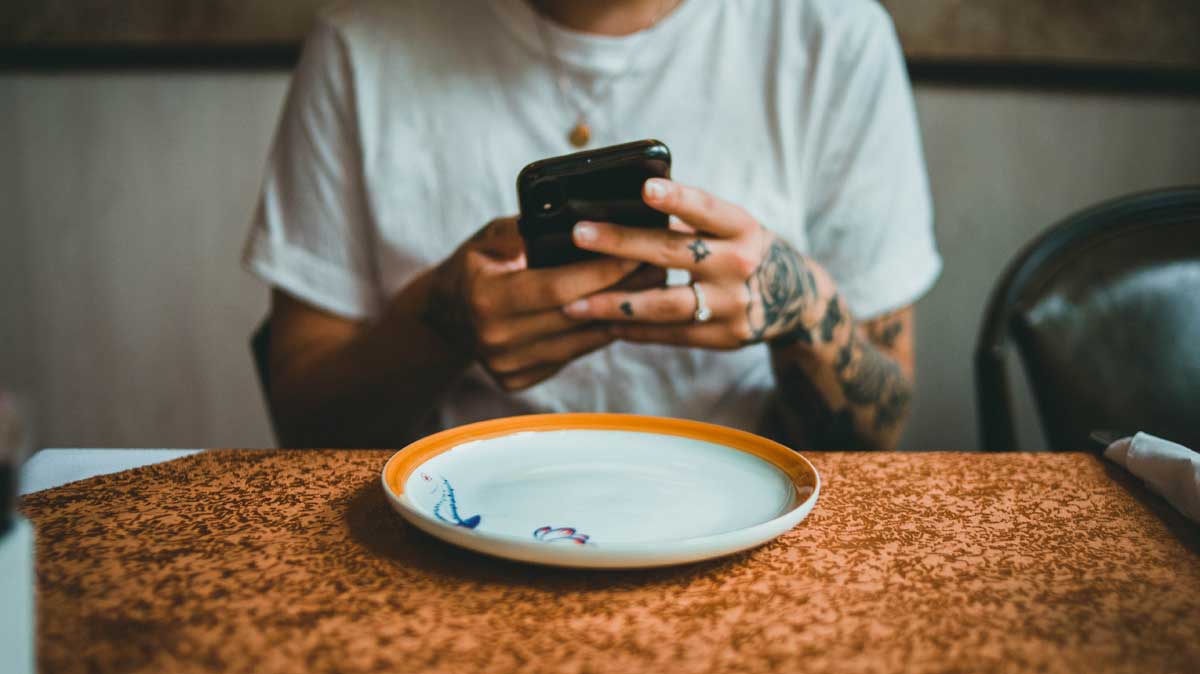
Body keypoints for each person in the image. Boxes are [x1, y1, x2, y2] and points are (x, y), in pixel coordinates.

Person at [242, 0, 942, 450]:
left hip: (746, 529)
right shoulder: (361, 42)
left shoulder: (833, 38)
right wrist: (442, 321)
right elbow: (303, 425)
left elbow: (879, 431)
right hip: (451, 525)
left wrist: (796, 306)